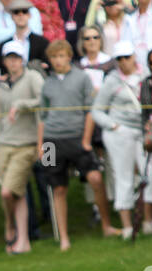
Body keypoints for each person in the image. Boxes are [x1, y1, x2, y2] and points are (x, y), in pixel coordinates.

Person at [38, 40, 119, 248]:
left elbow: (90, 111)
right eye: (54, 57)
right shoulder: (47, 83)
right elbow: (42, 117)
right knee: (57, 188)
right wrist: (41, 145)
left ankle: (107, 226)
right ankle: (63, 238)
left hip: (77, 137)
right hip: (51, 141)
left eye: (61, 56)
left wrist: (86, 139)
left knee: (95, 179)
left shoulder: (82, 77)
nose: (57, 61)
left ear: (69, 56)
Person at [0, 40, 44, 254]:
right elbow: (0, 118)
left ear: (22, 59)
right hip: (4, 143)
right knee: (18, 192)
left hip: (26, 143)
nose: (13, 62)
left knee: (7, 192)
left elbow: (44, 101)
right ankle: (23, 241)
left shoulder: (33, 77)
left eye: (16, 58)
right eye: (9, 58)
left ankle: (10, 226)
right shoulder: (2, 85)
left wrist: (22, 104)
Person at [93, 41, 147, 238]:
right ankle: (127, 227)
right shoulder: (112, 80)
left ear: (134, 56)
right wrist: (114, 126)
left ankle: (148, 221)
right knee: (123, 178)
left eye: (127, 57)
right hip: (119, 132)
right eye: (120, 59)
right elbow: (97, 111)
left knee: (149, 175)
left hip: (144, 131)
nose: (124, 62)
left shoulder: (145, 74)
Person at [0, 0, 51, 70]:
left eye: (24, 11)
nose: (21, 15)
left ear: (29, 15)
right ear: (12, 16)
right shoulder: (3, 45)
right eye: (16, 12)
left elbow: (48, 66)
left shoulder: (43, 43)